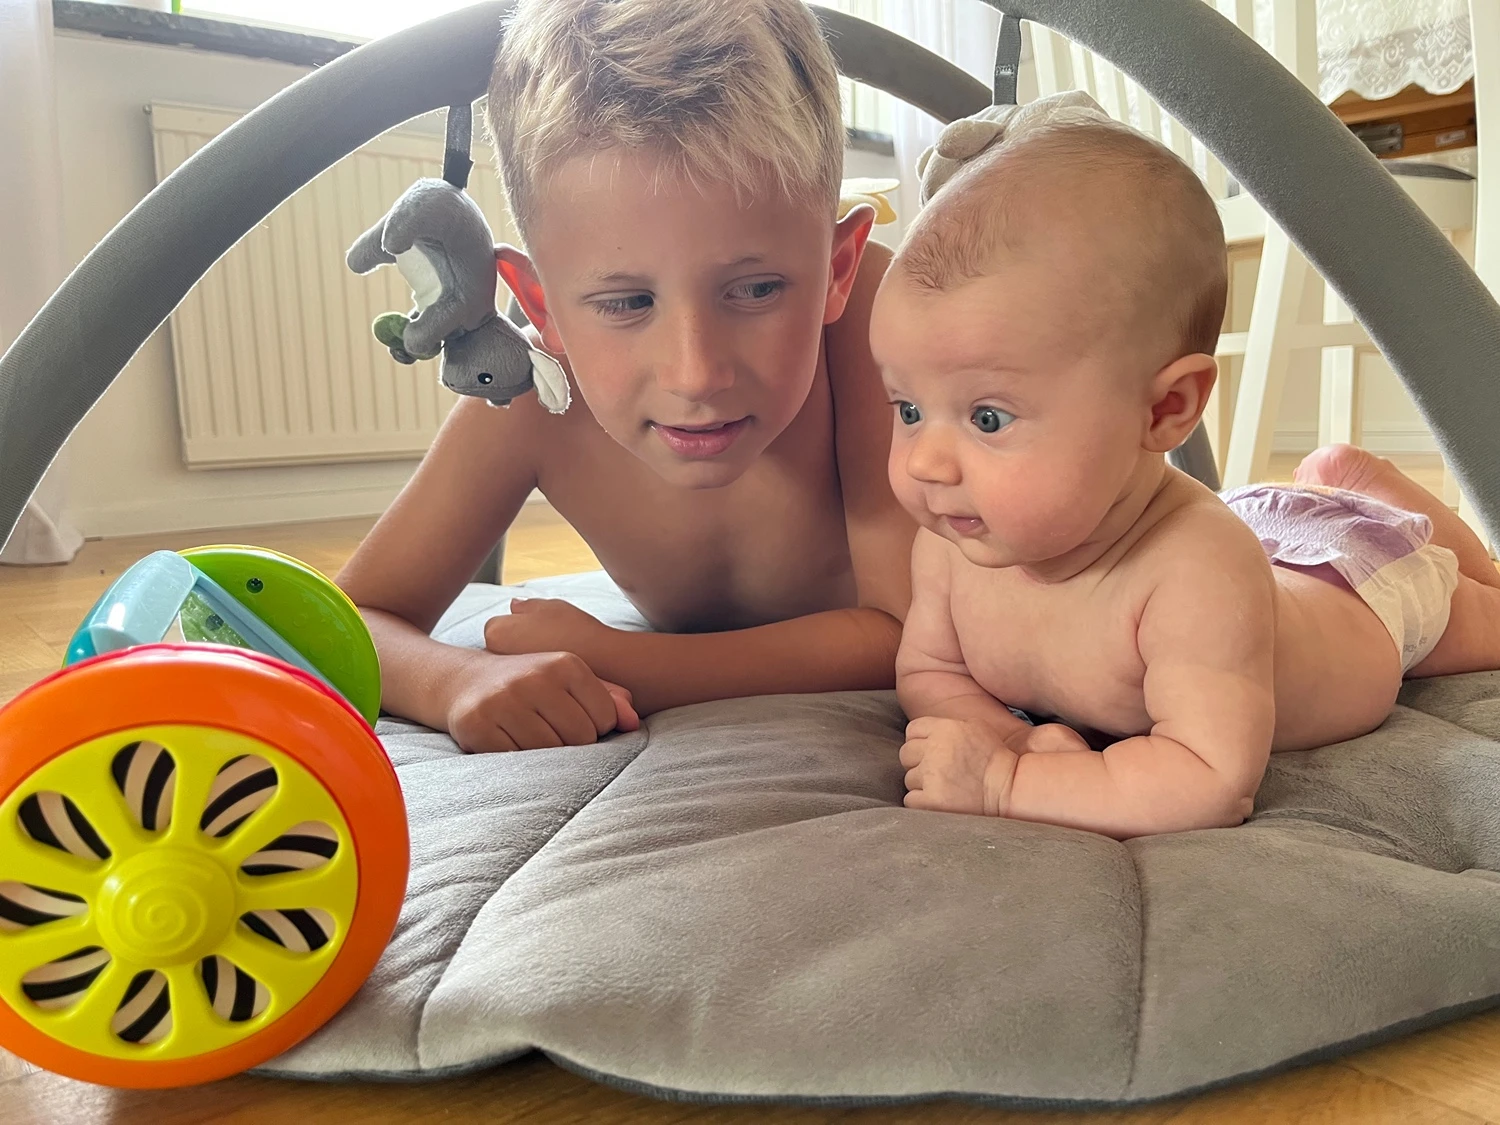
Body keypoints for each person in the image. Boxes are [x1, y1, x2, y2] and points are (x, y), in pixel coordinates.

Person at [877, 95, 1500, 838]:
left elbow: (1209, 779)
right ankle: (1337, 479)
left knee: (1470, 601)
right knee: (1308, 506)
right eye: (907, 408)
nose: (925, 462)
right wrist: (1005, 735)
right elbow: (931, 673)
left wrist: (1008, 780)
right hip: (1262, 528)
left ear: (1164, 410)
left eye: (987, 418)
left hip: (1361, 592)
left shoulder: (1196, 574)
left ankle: (1396, 516)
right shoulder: (955, 540)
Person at [337, 0, 915, 753]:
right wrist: (454, 680)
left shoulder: (879, 324)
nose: (696, 374)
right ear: (540, 305)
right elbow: (354, 617)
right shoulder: (534, 390)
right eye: (626, 302)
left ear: (837, 268)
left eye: (756, 289)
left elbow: (908, 632)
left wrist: (624, 663)